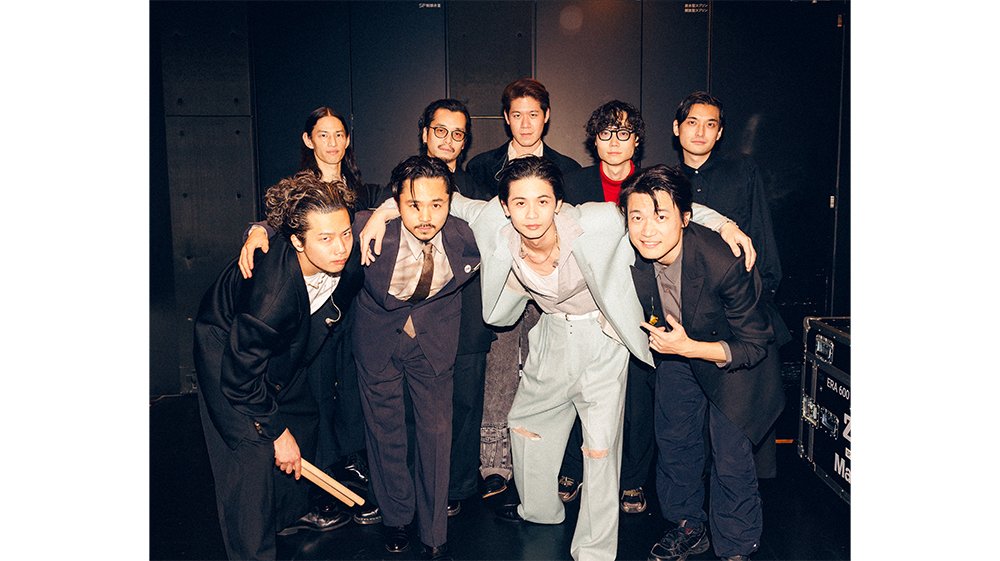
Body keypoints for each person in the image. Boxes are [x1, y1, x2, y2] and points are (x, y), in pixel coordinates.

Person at [360, 156, 754, 561]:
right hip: (550, 332)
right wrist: (382, 214)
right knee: (524, 425)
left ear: (558, 203)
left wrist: (725, 225)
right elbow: (440, 199)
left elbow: (660, 206)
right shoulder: (492, 221)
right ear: (505, 206)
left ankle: (595, 549)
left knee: (599, 448)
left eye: (542, 201)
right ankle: (539, 511)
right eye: (520, 203)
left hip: (602, 337)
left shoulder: (596, 221)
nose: (531, 214)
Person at [193, 172, 361, 560]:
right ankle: (253, 550)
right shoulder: (271, 295)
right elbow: (240, 380)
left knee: (304, 417)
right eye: (325, 238)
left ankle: (284, 517)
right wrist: (276, 433)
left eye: (345, 233)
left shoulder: (344, 259)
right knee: (252, 452)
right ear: (297, 241)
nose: (340, 247)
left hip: (282, 341)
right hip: (227, 350)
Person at [619, 164, 782, 561]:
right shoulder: (632, 253)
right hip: (676, 349)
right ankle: (687, 526)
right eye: (637, 217)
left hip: (733, 357)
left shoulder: (722, 261)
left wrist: (690, 347)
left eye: (661, 216)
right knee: (675, 442)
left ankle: (737, 545)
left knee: (730, 456)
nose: (647, 230)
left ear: (685, 218)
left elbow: (754, 345)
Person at [239, 105, 384, 529]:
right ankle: (320, 491)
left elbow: (399, 202)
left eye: (339, 134)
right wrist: (256, 229)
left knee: (352, 388)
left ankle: (349, 473)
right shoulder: (297, 189)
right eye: (323, 134)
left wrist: (382, 212)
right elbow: (274, 224)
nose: (333, 143)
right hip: (310, 309)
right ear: (308, 140)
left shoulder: (363, 190)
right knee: (316, 393)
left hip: (349, 304)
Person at [352, 155, 480, 561]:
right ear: (397, 201)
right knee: (385, 432)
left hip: (434, 343)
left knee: (437, 435)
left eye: (436, 204)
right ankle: (396, 518)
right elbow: (305, 225)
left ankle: (434, 530)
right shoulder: (369, 229)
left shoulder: (464, 235)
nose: (426, 217)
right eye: (413, 204)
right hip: (378, 341)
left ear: (450, 202)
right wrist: (258, 231)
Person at [672, 91, 791, 478]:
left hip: (739, 308)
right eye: (692, 123)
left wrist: (762, 298)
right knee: (690, 423)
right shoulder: (666, 180)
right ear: (677, 128)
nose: (700, 132)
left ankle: (742, 494)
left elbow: (762, 233)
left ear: (720, 132)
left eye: (710, 125)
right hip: (688, 312)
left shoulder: (743, 171)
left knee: (741, 419)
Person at [418, 99, 495, 516]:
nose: (448, 140)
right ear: (425, 134)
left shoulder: (478, 190)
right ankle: (417, 486)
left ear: (465, 142)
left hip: (467, 315)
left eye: (458, 134)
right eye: (440, 130)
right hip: (415, 318)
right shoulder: (403, 185)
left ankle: (458, 487)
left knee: (464, 406)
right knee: (418, 408)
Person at [466, 77, 581, 196]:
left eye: (533, 115)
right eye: (517, 116)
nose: (525, 125)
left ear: (546, 115)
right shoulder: (479, 168)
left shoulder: (569, 170)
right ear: (507, 117)